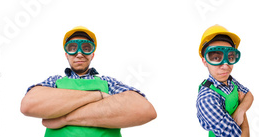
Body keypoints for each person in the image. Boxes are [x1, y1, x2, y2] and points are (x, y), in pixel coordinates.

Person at [20, 26, 157, 137]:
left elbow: (144, 109)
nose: (79, 53)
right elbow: (28, 105)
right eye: (72, 48)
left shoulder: (108, 82)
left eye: (86, 48)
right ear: (66, 54)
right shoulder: (54, 81)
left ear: (92, 54)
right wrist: (98, 96)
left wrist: (64, 119)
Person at [196, 25, 254, 137]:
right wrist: (240, 103)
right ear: (205, 61)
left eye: (230, 57)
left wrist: (241, 110)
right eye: (216, 58)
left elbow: (249, 95)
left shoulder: (230, 80)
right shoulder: (207, 99)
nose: (226, 65)